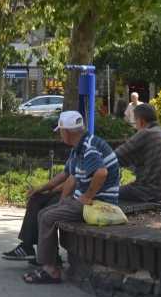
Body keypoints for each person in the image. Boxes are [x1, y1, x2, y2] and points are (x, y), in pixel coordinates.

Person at [22, 111, 120, 284]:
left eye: (60, 131)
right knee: (44, 213)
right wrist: (41, 189)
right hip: (85, 200)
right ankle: (51, 262)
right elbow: (67, 175)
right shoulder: (79, 147)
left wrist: (87, 196)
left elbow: (101, 172)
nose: (60, 135)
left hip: (98, 204)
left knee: (47, 217)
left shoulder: (89, 147)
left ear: (67, 132)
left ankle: (51, 270)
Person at [116, 103, 161, 203]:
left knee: (108, 192)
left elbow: (116, 157)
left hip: (150, 193)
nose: (135, 126)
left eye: (135, 121)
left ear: (141, 121)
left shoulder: (146, 133)